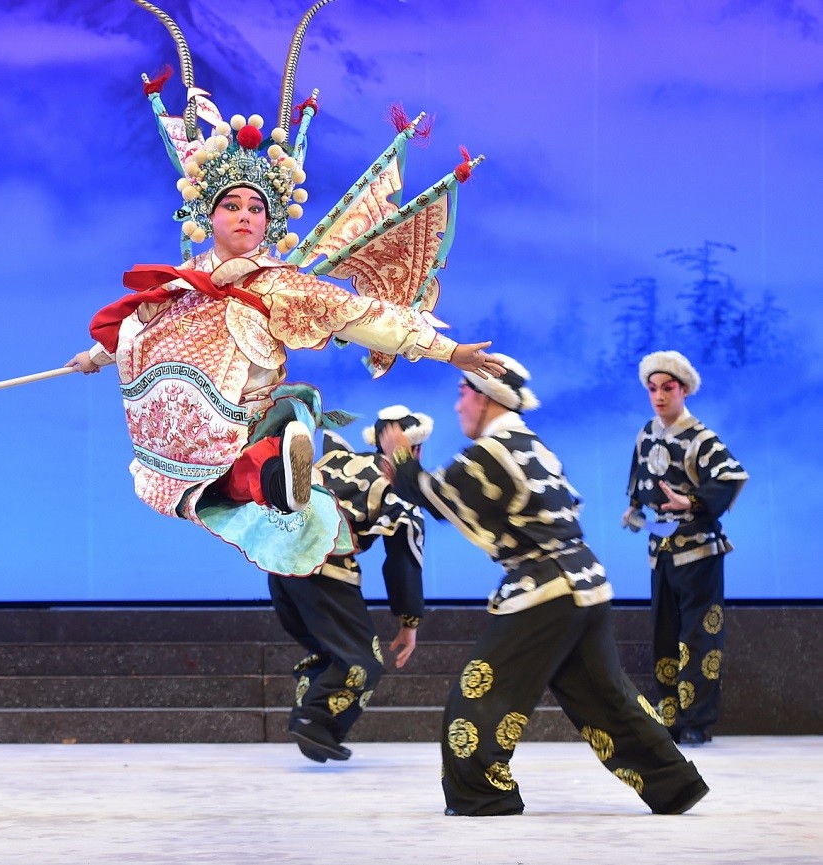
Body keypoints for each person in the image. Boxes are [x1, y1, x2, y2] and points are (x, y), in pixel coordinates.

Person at [69, 171, 501, 577]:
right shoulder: (180, 284)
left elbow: (360, 315)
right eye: (232, 206)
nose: (244, 215)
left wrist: (448, 350)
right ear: (210, 217)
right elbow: (141, 329)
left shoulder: (280, 285)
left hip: (238, 418)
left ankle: (280, 476)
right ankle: (274, 475)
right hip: (169, 430)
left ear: (268, 224)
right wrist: (94, 358)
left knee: (242, 471)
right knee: (193, 489)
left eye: (255, 209)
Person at [388, 354, 708, 816]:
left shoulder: (494, 451)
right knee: (608, 702)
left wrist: (400, 455)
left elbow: (435, 493)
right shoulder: (532, 445)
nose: (458, 406)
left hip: (547, 591)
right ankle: (673, 784)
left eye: (462, 394)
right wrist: (407, 474)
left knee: (478, 695)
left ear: (486, 396)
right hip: (586, 585)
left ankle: (483, 795)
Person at [267, 406, 432, 763]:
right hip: (325, 571)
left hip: (280, 567)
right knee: (363, 661)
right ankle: (315, 720)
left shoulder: (340, 459)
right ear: (414, 450)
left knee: (333, 655)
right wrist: (409, 621)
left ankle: (315, 724)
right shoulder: (397, 491)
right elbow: (403, 558)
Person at [623, 350, 747, 746]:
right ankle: (670, 715)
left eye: (668, 388)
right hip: (661, 549)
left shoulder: (701, 438)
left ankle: (697, 720)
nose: (659, 396)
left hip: (698, 551)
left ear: (684, 390)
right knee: (664, 634)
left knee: (699, 635)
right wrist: (635, 509)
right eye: (653, 389)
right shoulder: (647, 433)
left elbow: (731, 477)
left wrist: (691, 501)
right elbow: (640, 477)